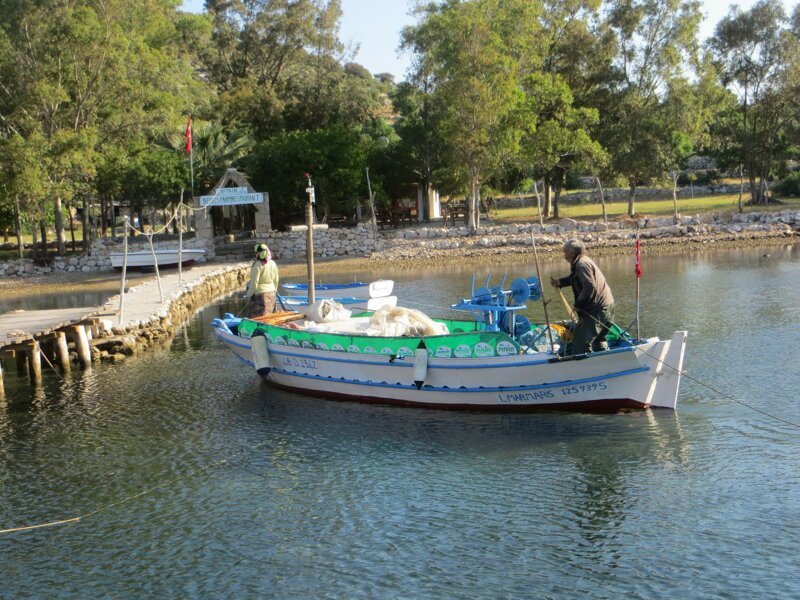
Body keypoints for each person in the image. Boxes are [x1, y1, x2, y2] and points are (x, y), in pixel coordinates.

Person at [550, 238, 614, 355]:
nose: (564, 255)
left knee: (580, 342)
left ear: (573, 252)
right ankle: (603, 362)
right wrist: (560, 282)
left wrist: (579, 305)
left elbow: (589, 286)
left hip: (597, 310)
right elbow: (575, 278)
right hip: (607, 306)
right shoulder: (582, 261)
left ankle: (586, 368)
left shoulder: (582, 264)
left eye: (565, 252)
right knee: (598, 340)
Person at [244, 243, 279, 318]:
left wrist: (249, 295)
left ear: (259, 254)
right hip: (272, 293)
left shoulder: (258, 265)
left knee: (258, 318)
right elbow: (276, 280)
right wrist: (274, 290)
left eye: (256, 253)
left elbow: (254, 283)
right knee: (270, 317)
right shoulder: (273, 263)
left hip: (261, 296)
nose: (256, 255)